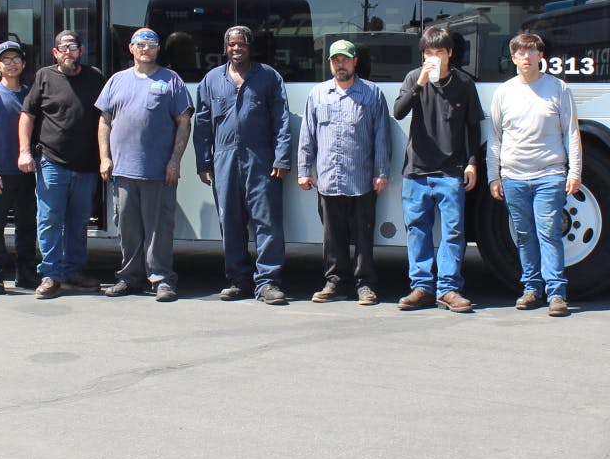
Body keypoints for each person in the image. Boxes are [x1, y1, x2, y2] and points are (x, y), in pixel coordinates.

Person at [192, 25, 292, 305]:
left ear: (250, 47)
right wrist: (204, 161)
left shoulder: (268, 77)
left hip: (261, 159)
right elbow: (201, 123)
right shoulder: (212, 80)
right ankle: (239, 279)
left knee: (267, 222)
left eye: (242, 44)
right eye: (232, 44)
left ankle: (268, 282)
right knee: (231, 222)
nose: (237, 49)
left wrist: (282, 157)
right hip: (224, 160)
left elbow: (282, 120)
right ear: (225, 48)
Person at [487, 32, 583, 317]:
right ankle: (531, 289)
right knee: (525, 235)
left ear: (541, 56)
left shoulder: (559, 88)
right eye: (520, 52)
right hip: (514, 177)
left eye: (532, 51)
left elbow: (572, 133)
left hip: (549, 175)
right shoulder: (503, 92)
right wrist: (495, 176)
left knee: (549, 234)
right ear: (513, 58)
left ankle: (556, 293)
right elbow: (495, 137)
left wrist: (574, 172)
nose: (526, 57)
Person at [96, 28, 194, 302]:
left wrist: (175, 160)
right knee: (127, 227)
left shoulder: (171, 80)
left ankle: (162, 279)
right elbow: (104, 121)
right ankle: (129, 278)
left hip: (158, 171)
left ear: (158, 49)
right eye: (140, 44)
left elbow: (184, 122)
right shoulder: (116, 81)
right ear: (131, 48)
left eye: (151, 44)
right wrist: (105, 157)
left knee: (159, 228)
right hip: (123, 170)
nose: (145, 49)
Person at [393, 26, 484, 312]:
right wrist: (419, 83)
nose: (434, 58)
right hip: (416, 171)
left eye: (439, 53)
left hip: (451, 171)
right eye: (428, 53)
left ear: (450, 54)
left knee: (453, 231)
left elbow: (473, 127)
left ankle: (448, 289)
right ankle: (420, 287)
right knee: (417, 230)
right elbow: (398, 111)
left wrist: (471, 163)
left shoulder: (464, 83)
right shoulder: (413, 78)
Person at [296, 39, 390, 305]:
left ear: (355, 62)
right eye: (336, 60)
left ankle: (365, 284)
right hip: (328, 178)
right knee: (332, 235)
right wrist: (304, 169)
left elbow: (381, 136)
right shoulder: (317, 94)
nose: (340, 64)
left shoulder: (372, 94)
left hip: (361, 179)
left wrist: (380, 172)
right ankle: (335, 282)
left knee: (363, 234)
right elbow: (307, 136)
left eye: (345, 59)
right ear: (330, 63)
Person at [17, 30, 104, 299]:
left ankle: (73, 272)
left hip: (87, 165)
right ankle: (50, 276)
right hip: (52, 162)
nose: (69, 52)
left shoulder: (95, 77)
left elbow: (106, 118)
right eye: (63, 48)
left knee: (78, 223)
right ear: (55, 53)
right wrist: (24, 152)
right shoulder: (44, 76)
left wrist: (105, 156)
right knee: (50, 219)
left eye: (73, 47)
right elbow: (27, 116)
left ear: (81, 50)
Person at [0, 40, 38, 295]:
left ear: (23, 64)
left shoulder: (31, 94)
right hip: (0, 172)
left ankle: (25, 274)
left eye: (16, 59)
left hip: (26, 173)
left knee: (27, 224)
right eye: (6, 60)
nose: (11, 64)